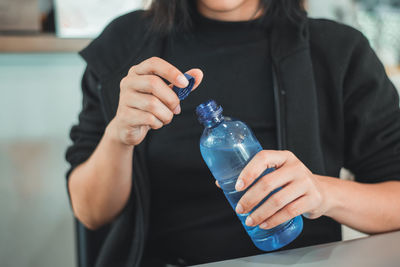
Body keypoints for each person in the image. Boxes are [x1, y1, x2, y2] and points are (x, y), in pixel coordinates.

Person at [65, 0, 400, 266]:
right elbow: (91, 212)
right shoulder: (125, 45)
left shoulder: (338, 50)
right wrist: (119, 136)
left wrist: (323, 192)